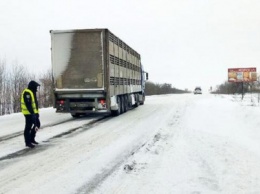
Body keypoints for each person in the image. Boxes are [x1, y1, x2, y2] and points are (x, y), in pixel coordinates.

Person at [21, 80, 41, 148]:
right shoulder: (27, 92)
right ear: (32, 86)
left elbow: (35, 104)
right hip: (28, 113)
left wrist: (37, 113)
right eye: (36, 87)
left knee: (37, 124)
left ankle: (32, 139)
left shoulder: (32, 92)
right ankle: (28, 142)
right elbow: (28, 104)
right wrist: (32, 114)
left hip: (33, 113)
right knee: (28, 127)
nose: (36, 89)